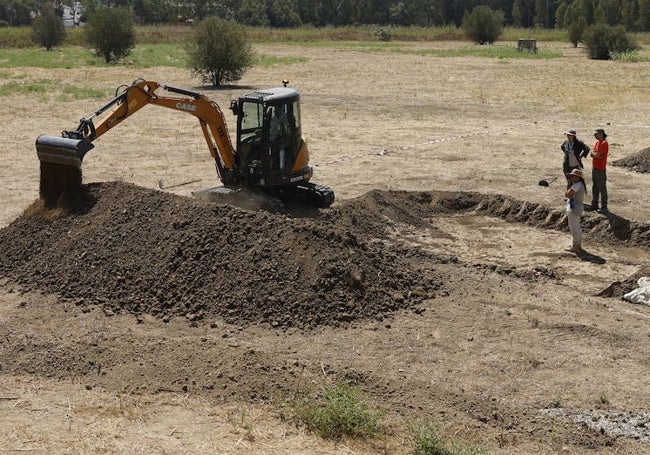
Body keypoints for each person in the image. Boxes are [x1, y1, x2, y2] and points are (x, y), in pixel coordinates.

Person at [565, 168, 587, 253]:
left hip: (573, 209)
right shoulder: (580, 184)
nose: (574, 178)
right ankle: (578, 244)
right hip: (578, 208)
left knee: (573, 228)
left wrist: (568, 189)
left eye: (575, 177)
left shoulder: (576, 185)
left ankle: (575, 245)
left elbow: (567, 194)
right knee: (577, 227)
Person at [589, 128, 609, 213]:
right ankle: (595, 204)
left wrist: (595, 154)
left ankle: (604, 207)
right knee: (595, 187)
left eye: (596, 134)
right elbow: (592, 153)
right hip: (595, 168)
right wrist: (595, 154)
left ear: (601, 134)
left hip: (600, 169)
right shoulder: (597, 143)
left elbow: (598, 155)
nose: (595, 135)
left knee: (602, 188)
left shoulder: (604, 143)